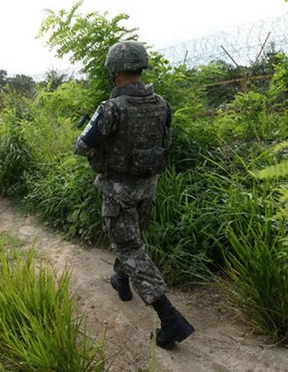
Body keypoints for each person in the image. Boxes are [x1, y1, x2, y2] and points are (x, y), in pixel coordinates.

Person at [73, 41, 194, 349]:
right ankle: (122, 280)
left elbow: (82, 147)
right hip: (147, 187)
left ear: (114, 70)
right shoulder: (161, 103)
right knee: (131, 240)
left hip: (118, 192)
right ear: (142, 67)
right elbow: (166, 142)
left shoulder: (111, 108)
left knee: (129, 248)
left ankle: (170, 319)